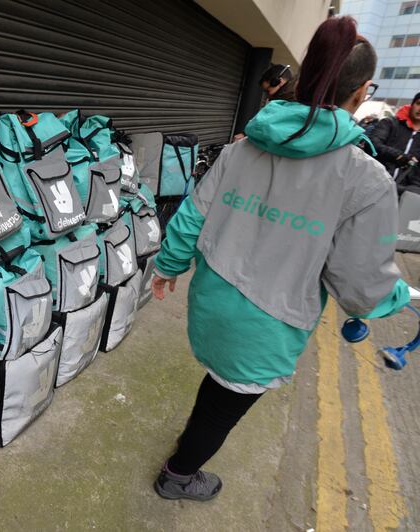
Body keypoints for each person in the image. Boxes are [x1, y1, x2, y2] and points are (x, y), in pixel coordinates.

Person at [151, 17, 409, 501]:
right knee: (224, 406)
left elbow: (192, 215)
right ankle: (178, 476)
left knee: (219, 385)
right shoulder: (366, 179)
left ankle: (187, 452)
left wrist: (168, 266)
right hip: (268, 320)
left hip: (212, 297)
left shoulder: (243, 147)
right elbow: (361, 284)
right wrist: (395, 299)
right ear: (360, 93)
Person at [368, 92, 420, 194]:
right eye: (419, 103)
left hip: (402, 195)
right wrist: (400, 157)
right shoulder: (389, 123)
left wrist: (410, 190)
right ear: (412, 104)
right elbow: (373, 145)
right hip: (373, 184)